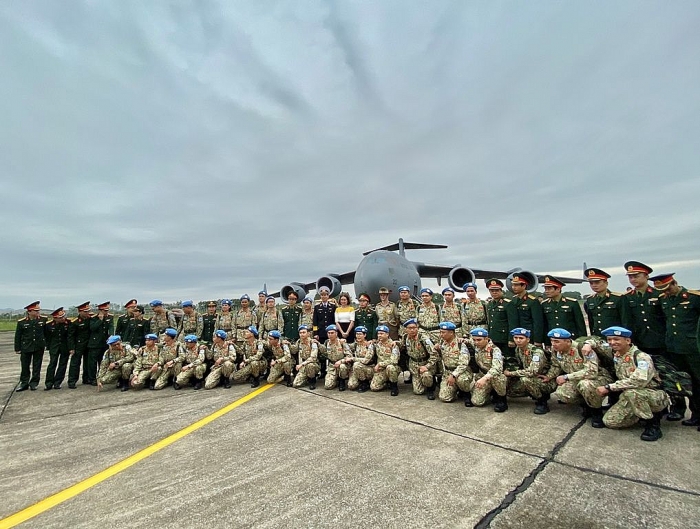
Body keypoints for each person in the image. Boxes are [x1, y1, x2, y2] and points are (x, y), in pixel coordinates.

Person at [596, 326, 670, 442]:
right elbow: (597, 343)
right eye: (609, 339)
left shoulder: (641, 357)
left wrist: (609, 387)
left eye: (616, 339)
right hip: (631, 395)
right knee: (610, 422)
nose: (612, 342)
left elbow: (639, 381)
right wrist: (588, 344)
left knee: (632, 393)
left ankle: (653, 424)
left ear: (628, 341)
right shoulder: (617, 354)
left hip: (652, 394)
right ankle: (638, 414)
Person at [651, 272, 700, 428]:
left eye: (667, 289)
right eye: (662, 290)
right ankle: (692, 413)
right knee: (682, 382)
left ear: (674, 283)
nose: (666, 292)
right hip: (673, 348)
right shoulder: (664, 299)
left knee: (697, 381)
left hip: (692, 348)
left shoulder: (693, 297)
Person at [544, 328, 613, 428]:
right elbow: (556, 366)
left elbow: (591, 372)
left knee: (585, 385)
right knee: (562, 393)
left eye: (557, 341)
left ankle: (596, 412)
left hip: (599, 378)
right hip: (577, 379)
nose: (553, 344)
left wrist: (567, 377)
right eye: (552, 341)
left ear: (568, 342)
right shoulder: (556, 351)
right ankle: (586, 404)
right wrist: (549, 376)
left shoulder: (583, 349)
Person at [504, 328, 556, 414]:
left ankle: (542, 401)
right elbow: (520, 365)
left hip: (546, 380)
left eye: (521, 338)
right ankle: (534, 394)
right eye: (516, 338)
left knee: (525, 380)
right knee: (511, 390)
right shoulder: (518, 349)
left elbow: (533, 371)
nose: (518, 340)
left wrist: (511, 373)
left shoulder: (537, 352)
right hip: (532, 377)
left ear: (528, 340)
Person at [584, 267, 629, 337]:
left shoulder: (618, 298)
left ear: (606, 283)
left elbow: (625, 321)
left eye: (597, 282)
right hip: (598, 336)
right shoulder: (590, 300)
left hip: (615, 336)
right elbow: (591, 321)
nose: (594, 285)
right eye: (591, 283)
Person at [470, 328, 508, 412]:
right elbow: (467, 341)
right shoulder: (477, 346)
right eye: (474, 340)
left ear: (486, 339)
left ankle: (502, 399)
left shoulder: (494, 350)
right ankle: (490, 392)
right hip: (482, 375)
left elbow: (497, 368)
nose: (476, 342)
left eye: (479, 340)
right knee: (477, 402)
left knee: (498, 378)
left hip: (494, 376)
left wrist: (485, 378)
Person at [400, 319, 439, 400]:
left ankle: (430, 389)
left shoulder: (424, 339)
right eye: (410, 328)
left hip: (425, 364)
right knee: (418, 391)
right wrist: (395, 343)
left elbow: (435, 355)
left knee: (426, 375)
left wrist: (426, 366)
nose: (412, 330)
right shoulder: (405, 337)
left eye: (414, 328)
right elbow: (402, 346)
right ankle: (423, 381)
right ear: (406, 329)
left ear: (417, 328)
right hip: (414, 366)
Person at [14, 301, 47, 391]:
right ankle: (24, 383)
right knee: (25, 366)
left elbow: (46, 333)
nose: (38, 312)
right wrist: (17, 348)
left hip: (39, 346)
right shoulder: (22, 322)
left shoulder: (43, 320)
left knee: (37, 366)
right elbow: (18, 336)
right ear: (29, 311)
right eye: (35, 311)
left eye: (38, 310)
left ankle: (34, 383)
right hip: (26, 347)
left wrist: (46, 344)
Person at [541, 276, 587, 342]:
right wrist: (547, 342)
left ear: (558, 289)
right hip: (553, 339)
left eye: (549, 289)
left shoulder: (572, 303)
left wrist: (582, 340)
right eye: (545, 289)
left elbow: (580, 324)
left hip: (570, 339)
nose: (546, 291)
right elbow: (545, 325)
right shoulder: (544, 304)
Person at [508, 274, 544, 347]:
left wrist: (537, 340)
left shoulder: (532, 301)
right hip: (517, 337)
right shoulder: (513, 301)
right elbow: (512, 322)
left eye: (516, 285)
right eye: (513, 285)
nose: (514, 287)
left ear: (524, 286)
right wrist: (511, 339)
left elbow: (537, 322)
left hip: (529, 337)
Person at [485, 279, 517, 357]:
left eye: (497, 290)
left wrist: (511, 339)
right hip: (493, 337)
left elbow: (513, 323)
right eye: (492, 291)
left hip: (504, 338)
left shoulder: (508, 303)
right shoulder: (490, 304)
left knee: (507, 358)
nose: (494, 292)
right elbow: (490, 322)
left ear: (501, 290)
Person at [87, 301, 114, 386]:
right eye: (105, 310)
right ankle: (92, 379)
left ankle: (101, 377)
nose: (107, 312)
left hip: (104, 343)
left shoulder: (110, 317)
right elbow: (92, 328)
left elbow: (111, 327)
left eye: (107, 310)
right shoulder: (94, 318)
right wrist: (100, 320)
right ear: (100, 310)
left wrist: (111, 337)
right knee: (92, 363)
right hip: (95, 343)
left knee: (103, 362)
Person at [44, 307, 71, 390]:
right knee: (52, 364)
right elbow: (47, 337)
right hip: (54, 347)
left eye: (63, 316)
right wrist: (48, 346)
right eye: (61, 318)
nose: (63, 318)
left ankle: (57, 382)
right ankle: (49, 383)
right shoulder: (48, 325)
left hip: (65, 347)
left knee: (62, 365)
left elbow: (70, 336)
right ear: (55, 318)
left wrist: (70, 347)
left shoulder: (68, 323)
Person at [370, 325, 401, 395]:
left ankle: (394, 386)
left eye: (381, 333)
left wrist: (380, 364)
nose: (379, 335)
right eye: (378, 333)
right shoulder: (377, 344)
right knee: (374, 387)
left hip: (392, 367)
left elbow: (394, 361)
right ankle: (386, 382)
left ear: (387, 334)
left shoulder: (393, 345)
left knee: (390, 367)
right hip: (381, 370)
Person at [320, 325, 353, 390]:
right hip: (332, 365)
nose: (330, 335)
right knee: (328, 386)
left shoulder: (341, 342)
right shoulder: (326, 342)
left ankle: (342, 381)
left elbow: (350, 356)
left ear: (336, 333)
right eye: (329, 333)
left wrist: (341, 361)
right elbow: (323, 353)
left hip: (342, 364)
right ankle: (335, 378)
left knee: (342, 367)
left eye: (332, 333)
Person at [67, 301, 92, 388]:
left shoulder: (90, 319)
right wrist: (71, 348)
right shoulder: (74, 322)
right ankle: (72, 381)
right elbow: (70, 336)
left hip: (88, 344)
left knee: (87, 363)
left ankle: (86, 378)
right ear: (80, 311)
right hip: (78, 345)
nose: (87, 313)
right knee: (75, 363)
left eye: (88, 311)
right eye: (85, 311)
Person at [291, 325, 320, 389]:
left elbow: (313, 357)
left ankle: (312, 381)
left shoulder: (312, 342)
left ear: (308, 333)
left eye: (304, 332)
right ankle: (306, 377)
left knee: (310, 365)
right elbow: (294, 351)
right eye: (300, 333)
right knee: (295, 384)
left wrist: (301, 364)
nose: (302, 334)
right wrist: (288, 344)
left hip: (313, 364)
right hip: (303, 366)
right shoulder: (299, 342)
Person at [347, 326, 375, 392]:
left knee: (356, 364)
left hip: (369, 368)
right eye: (357, 334)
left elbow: (366, 361)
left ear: (365, 335)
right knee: (351, 386)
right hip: (358, 369)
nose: (358, 336)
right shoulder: (355, 344)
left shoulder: (369, 346)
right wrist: (342, 341)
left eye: (360, 334)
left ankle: (364, 383)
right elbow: (346, 347)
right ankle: (360, 379)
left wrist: (353, 359)